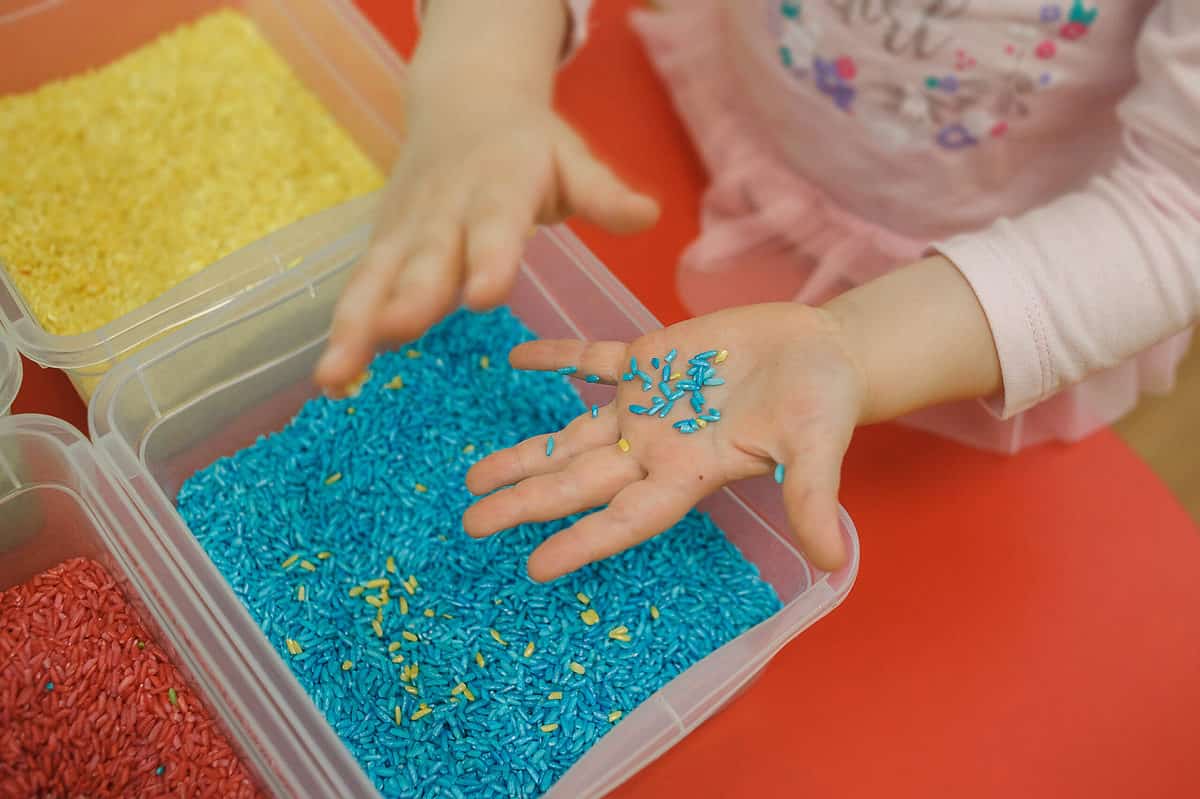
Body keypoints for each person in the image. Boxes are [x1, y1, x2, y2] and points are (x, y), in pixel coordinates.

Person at [313, 0, 1200, 580]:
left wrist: (856, 343)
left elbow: (1177, 205)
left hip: (976, 300)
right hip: (734, 114)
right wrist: (483, 71)